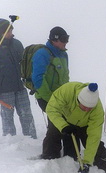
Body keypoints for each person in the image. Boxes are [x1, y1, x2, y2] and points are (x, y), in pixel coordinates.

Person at [45, 82, 106, 173]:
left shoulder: (97, 110)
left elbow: (94, 136)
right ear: (79, 100)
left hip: (83, 123)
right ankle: (49, 161)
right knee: (53, 134)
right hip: (62, 117)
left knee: (93, 143)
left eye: (90, 108)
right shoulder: (67, 91)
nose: (87, 110)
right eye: (85, 107)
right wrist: (63, 126)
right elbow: (51, 109)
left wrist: (87, 162)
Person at [0, 18, 37, 138]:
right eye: (8, 31)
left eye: (11, 30)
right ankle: (10, 141)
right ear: (1, 32)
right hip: (5, 89)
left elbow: (26, 66)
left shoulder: (17, 44)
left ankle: (31, 139)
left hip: (20, 87)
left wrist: (30, 81)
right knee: (7, 116)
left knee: (26, 114)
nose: (10, 33)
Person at [33, 26, 74, 159]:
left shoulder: (64, 54)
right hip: (46, 97)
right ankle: (50, 155)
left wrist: (68, 95)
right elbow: (38, 79)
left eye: (67, 39)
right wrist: (51, 99)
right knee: (57, 123)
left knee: (68, 121)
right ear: (54, 39)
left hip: (62, 98)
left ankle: (71, 154)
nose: (65, 42)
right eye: (63, 39)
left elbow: (65, 77)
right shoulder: (42, 54)